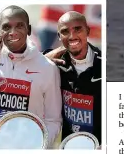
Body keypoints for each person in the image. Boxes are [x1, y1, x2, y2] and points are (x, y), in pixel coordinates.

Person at [0, 5, 63, 148]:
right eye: (6, 27)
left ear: (29, 30)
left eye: (19, 26)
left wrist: (38, 145)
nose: (13, 32)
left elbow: (54, 120)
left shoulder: (47, 68)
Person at [44, 11, 103, 144]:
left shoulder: (104, 64)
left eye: (77, 29)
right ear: (59, 36)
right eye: (65, 31)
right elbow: (23, 69)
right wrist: (44, 60)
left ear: (87, 31)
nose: (72, 36)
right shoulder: (53, 63)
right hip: (69, 145)